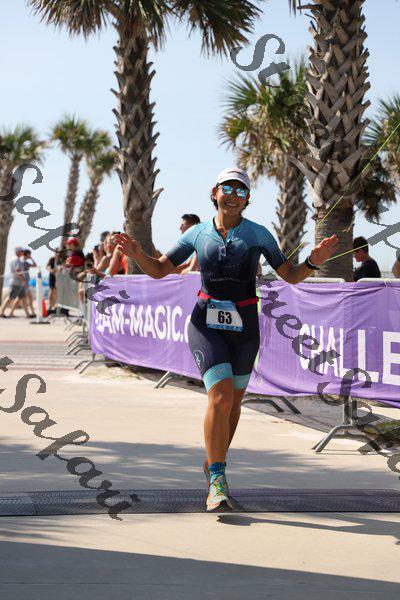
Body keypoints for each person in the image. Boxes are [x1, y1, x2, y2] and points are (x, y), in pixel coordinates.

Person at [114, 167, 338, 512]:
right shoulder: (197, 233)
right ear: (214, 193)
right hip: (206, 323)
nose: (233, 196)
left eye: (240, 191)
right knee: (219, 396)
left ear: (247, 199)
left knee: (233, 403)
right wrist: (138, 256)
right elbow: (159, 270)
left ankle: (213, 461)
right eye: (227, 189)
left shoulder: (258, 234)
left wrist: (312, 261)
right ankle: (218, 479)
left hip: (245, 326)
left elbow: (290, 275)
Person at [0, 246, 30, 318]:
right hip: (16, 283)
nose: (22, 252)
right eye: (21, 251)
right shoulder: (15, 260)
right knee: (10, 298)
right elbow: (17, 271)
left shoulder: (18, 259)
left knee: (23, 298)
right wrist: (24, 280)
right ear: (18, 252)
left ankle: (28, 315)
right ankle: (1, 312)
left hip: (20, 283)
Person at [8, 249, 37, 318]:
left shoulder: (25, 262)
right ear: (27, 254)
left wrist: (31, 258)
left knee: (20, 298)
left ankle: (12, 313)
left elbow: (35, 265)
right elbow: (18, 271)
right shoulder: (21, 262)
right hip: (23, 282)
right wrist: (24, 280)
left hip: (24, 282)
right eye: (29, 255)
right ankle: (31, 313)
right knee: (25, 298)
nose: (30, 256)